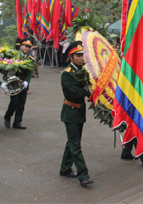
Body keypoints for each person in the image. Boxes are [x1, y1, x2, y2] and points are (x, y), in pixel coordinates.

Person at [59, 41, 94, 186]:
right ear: (71, 57)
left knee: (72, 142)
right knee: (75, 145)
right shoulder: (66, 74)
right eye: (78, 55)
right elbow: (76, 93)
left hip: (79, 112)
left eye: (82, 55)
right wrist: (89, 91)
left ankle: (65, 168)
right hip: (71, 112)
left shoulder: (83, 71)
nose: (81, 58)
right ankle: (83, 175)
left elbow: (88, 88)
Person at [4, 38, 35, 130]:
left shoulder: (30, 59)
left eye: (29, 47)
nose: (27, 48)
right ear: (21, 46)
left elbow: (30, 71)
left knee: (21, 103)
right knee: (14, 101)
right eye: (25, 46)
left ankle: (17, 122)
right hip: (14, 82)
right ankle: (7, 116)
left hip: (23, 82)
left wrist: (27, 81)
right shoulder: (14, 56)